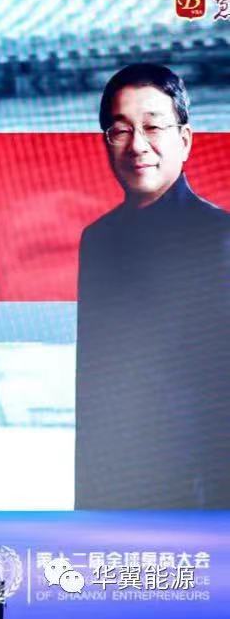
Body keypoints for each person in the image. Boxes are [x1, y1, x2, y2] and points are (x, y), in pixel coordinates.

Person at [75, 63, 230, 509]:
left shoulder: (219, 238)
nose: (137, 145)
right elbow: (93, 383)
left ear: (185, 139)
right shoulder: (98, 240)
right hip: (111, 487)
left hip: (199, 496)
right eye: (120, 130)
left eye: (153, 127)